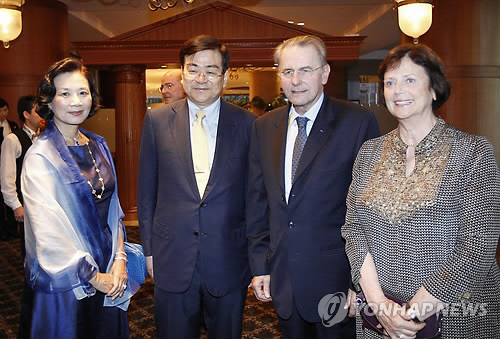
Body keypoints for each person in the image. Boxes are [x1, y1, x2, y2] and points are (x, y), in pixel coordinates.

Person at [342, 44, 500, 339]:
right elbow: (354, 229)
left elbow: (478, 244)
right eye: (390, 82)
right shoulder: (369, 152)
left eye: (410, 80)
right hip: (381, 318)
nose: (397, 90)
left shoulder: (473, 152)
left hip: (455, 316)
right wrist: (379, 306)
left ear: (435, 90)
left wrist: (412, 316)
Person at [246, 35, 379, 338]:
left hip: (336, 280)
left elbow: (369, 210)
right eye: (287, 71)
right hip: (282, 278)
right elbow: (257, 202)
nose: (296, 80)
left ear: (325, 73)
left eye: (306, 70)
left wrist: (359, 283)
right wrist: (260, 265)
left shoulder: (358, 122)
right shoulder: (264, 127)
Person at [138, 35, 255, 338]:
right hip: (171, 256)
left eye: (211, 70)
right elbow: (147, 191)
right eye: (193, 69)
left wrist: (258, 257)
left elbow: (256, 196)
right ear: (183, 72)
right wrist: (149, 251)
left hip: (229, 257)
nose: (201, 78)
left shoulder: (249, 124)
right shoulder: (156, 120)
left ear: (225, 76)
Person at [21, 57, 139, 338]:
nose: (76, 101)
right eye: (65, 93)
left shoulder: (97, 144)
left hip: (109, 269)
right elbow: (47, 232)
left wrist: (120, 260)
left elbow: (114, 209)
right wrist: (94, 277)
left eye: (82, 92)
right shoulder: (41, 156)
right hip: (66, 281)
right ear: (48, 101)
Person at [0, 96, 43, 337]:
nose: (41, 115)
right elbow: (7, 178)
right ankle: (33, 294)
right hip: (25, 206)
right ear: (26, 114)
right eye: (37, 111)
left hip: (43, 205)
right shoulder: (12, 140)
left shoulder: (44, 136)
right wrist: (15, 205)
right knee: (29, 251)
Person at [0, 97, 19, 240]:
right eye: (0, 111)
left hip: (11, 164)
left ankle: (13, 229)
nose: (3, 113)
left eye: (5, 110)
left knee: (12, 196)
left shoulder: (12, 125)